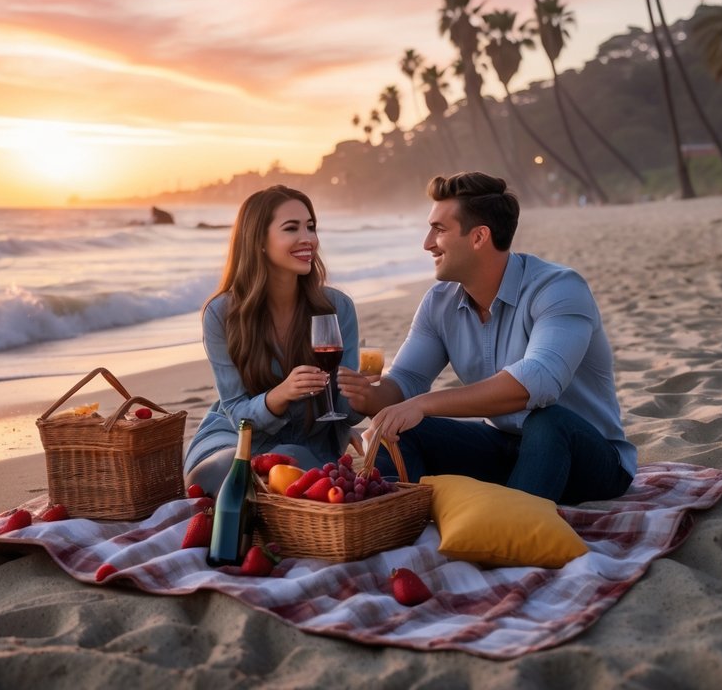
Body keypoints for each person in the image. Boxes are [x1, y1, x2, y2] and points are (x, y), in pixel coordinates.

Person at [338, 171, 635, 505]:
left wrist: (422, 404)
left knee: (547, 421)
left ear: (479, 237)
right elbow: (406, 380)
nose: (427, 243)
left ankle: (512, 528)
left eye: (439, 230)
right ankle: (393, 518)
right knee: (399, 428)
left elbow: (537, 382)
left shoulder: (559, 288)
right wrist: (369, 397)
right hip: (504, 449)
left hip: (590, 463)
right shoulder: (439, 303)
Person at [184, 185, 362, 493]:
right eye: (291, 228)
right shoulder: (222, 313)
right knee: (227, 470)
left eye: (311, 227)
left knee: (289, 464)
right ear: (260, 242)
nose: (308, 238)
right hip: (235, 438)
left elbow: (344, 407)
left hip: (306, 443)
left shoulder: (337, 308)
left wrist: (362, 396)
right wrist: (281, 394)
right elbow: (236, 411)